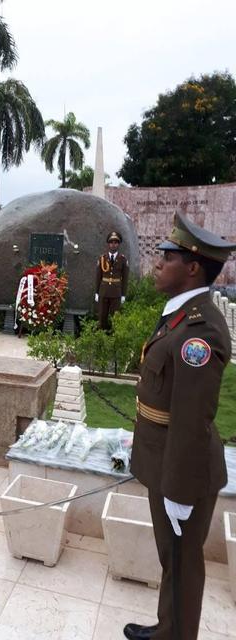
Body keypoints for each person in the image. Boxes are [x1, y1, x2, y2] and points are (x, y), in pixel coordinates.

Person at [125, 212, 236, 640]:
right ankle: (168, 628)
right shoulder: (179, 314)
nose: (158, 262)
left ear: (192, 268)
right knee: (173, 557)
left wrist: (180, 490)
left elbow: (192, 419)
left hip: (183, 472)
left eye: (167, 255)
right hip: (165, 461)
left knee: (184, 564)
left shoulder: (200, 331)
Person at [94, 231, 129, 330]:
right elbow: (98, 277)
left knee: (115, 318)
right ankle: (101, 337)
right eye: (111, 242)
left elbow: (125, 278)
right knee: (102, 317)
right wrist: (96, 292)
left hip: (116, 293)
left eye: (116, 242)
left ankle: (114, 338)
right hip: (103, 292)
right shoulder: (102, 258)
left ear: (119, 244)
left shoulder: (123, 259)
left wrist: (123, 294)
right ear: (108, 244)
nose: (113, 245)